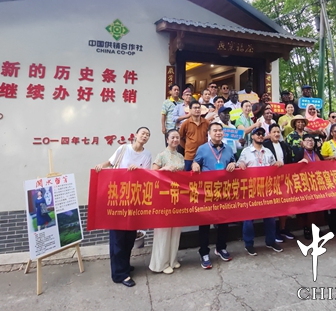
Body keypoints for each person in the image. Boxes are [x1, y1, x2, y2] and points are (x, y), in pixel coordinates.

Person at [94, 127, 152, 288]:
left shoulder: (147, 155)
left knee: (129, 237)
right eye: (143, 133)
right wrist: (101, 165)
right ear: (136, 135)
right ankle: (119, 274)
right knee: (118, 237)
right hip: (118, 199)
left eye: (148, 135)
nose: (145, 136)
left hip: (134, 199)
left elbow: (147, 175)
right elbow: (110, 162)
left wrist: (138, 170)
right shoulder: (124, 148)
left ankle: (124, 265)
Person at [192, 122, 238, 269]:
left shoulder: (228, 148)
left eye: (220, 130)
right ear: (209, 133)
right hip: (207, 193)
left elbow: (233, 162)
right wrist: (195, 165)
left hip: (224, 192)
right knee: (205, 224)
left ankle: (221, 247)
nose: (218, 133)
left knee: (223, 222)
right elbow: (195, 162)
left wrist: (234, 164)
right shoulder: (202, 149)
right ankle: (204, 252)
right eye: (215, 130)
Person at [238, 127, 284, 255]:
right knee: (248, 219)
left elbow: (273, 165)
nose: (260, 136)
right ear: (252, 136)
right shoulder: (246, 151)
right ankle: (249, 244)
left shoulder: (268, 151)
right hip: (251, 190)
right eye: (257, 134)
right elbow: (239, 164)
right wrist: (240, 164)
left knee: (270, 218)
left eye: (262, 134)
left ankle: (271, 241)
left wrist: (278, 164)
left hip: (267, 189)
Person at [149, 129, 185, 274]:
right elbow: (152, 173)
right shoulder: (161, 155)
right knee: (163, 231)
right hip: (164, 196)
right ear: (167, 139)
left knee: (176, 230)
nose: (175, 140)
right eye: (172, 137)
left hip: (177, 196)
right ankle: (160, 264)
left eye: (177, 137)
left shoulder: (181, 156)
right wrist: (164, 169)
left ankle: (172, 259)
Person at [263, 124, 295, 242]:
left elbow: (289, 160)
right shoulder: (265, 146)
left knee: (285, 205)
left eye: (278, 132)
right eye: (274, 132)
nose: (276, 134)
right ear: (269, 134)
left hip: (284, 179)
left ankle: (283, 228)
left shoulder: (284, 145)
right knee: (274, 206)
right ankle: (274, 231)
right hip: (270, 180)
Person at [294, 134, 325, 240]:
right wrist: (299, 163)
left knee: (318, 209)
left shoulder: (317, 153)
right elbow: (292, 168)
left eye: (311, 140)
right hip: (304, 186)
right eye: (307, 140)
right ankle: (306, 228)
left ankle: (315, 227)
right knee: (306, 209)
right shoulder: (299, 154)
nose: (310, 142)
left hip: (317, 185)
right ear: (302, 143)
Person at [179, 101, 209, 171]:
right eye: (195, 108)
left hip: (204, 155)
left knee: (204, 176)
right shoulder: (186, 123)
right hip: (190, 156)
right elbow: (180, 138)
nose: (197, 110)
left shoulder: (206, 122)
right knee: (189, 176)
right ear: (190, 110)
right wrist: (186, 147)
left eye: (199, 108)